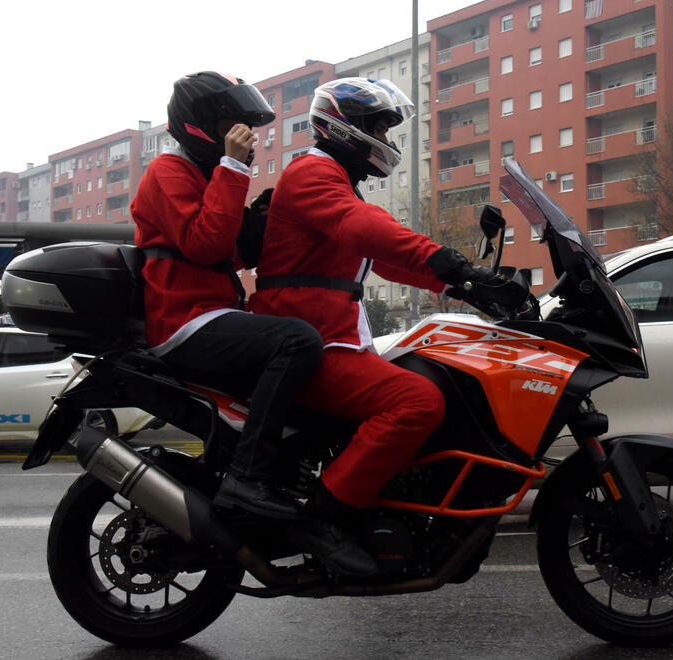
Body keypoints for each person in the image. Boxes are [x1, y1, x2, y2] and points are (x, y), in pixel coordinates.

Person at [249, 77, 498, 576]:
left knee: (430, 377)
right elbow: (362, 226)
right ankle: (324, 516)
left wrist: (468, 286)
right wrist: (443, 259)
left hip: (330, 339)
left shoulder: (333, 179)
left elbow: (383, 261)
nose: (386, 138)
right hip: (313, 343)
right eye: (379, 126)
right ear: (346, 127)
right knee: (418, 401)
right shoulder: (311, 173)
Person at [131, 71, 323, 522]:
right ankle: (248, 477)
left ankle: (286, 473)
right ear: (201, 125)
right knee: (297, 341)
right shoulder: (168, 171)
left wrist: (268, 217)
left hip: (215, 311)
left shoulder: (203, 174)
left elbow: (233, 254)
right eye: (230, 128)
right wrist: (234, 168)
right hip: (184, 320)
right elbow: (206, 244)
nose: (244, 139)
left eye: (245, 129)